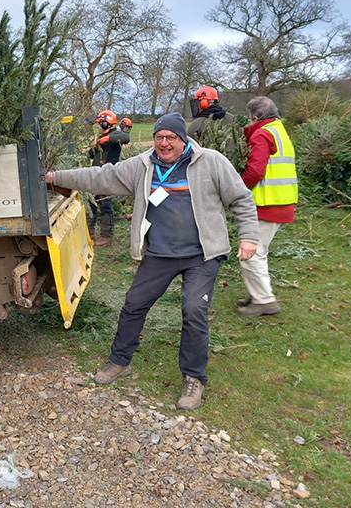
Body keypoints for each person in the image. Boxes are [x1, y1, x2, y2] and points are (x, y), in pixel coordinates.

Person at [46, 113, 258, 410]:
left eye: (171, 137)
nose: (164, 142)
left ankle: (193, 377)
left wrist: (249, 236)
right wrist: (57, 177)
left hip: (202, 254)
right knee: (134, 303)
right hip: (160, 253)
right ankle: (120, 361)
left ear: (184, 139)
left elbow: (241, 199)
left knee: (194, 308)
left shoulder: (211, 162)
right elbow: (102, 176)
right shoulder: (143, 166)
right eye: (159, 137)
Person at [237, 96, 298, 316]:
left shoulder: (262, 133)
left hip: (267, 202)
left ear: (254, 117)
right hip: (282, 200)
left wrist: (236, 189)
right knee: (259, 251)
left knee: (252, 252)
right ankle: (257, 294)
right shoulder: (279, 130)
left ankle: (264, 300)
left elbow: (255, 171)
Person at [86, 109, 130, 246]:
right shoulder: (99, 138)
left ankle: (107, 235)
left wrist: (107, 139)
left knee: (105, 205)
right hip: (96, 175)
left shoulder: (116, 134)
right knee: (92, 204)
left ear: (106, 124)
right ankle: (90, 232)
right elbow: (92, 155)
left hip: (108, 175)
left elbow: (126, 138)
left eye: (99, 124)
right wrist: (94, 148)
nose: (97, 126)